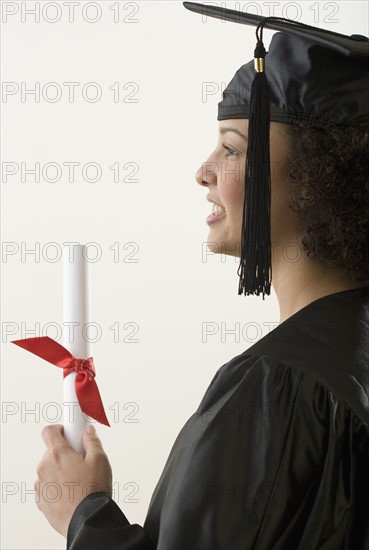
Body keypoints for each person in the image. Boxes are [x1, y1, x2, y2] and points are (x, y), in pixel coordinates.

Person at [35, 3, 369, 549]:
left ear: (312, 177)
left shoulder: (278, 386)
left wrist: (84, 514)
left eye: (232, 148)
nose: (203, 171)